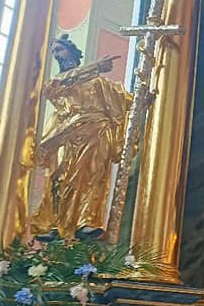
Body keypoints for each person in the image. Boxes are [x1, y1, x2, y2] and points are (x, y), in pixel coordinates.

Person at [31, 35, 132, 240]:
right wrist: (94, 67)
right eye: (54, 52)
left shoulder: (99, 83)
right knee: (58, 177)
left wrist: (145, 94)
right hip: (65, 134)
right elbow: (52, 89)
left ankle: (87, 220)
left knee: (93, 175)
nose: (56, 56)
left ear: (72, 52)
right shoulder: (57, 84)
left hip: (96, 131)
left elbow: (125, 102)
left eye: (59, 50)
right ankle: (56, 224)